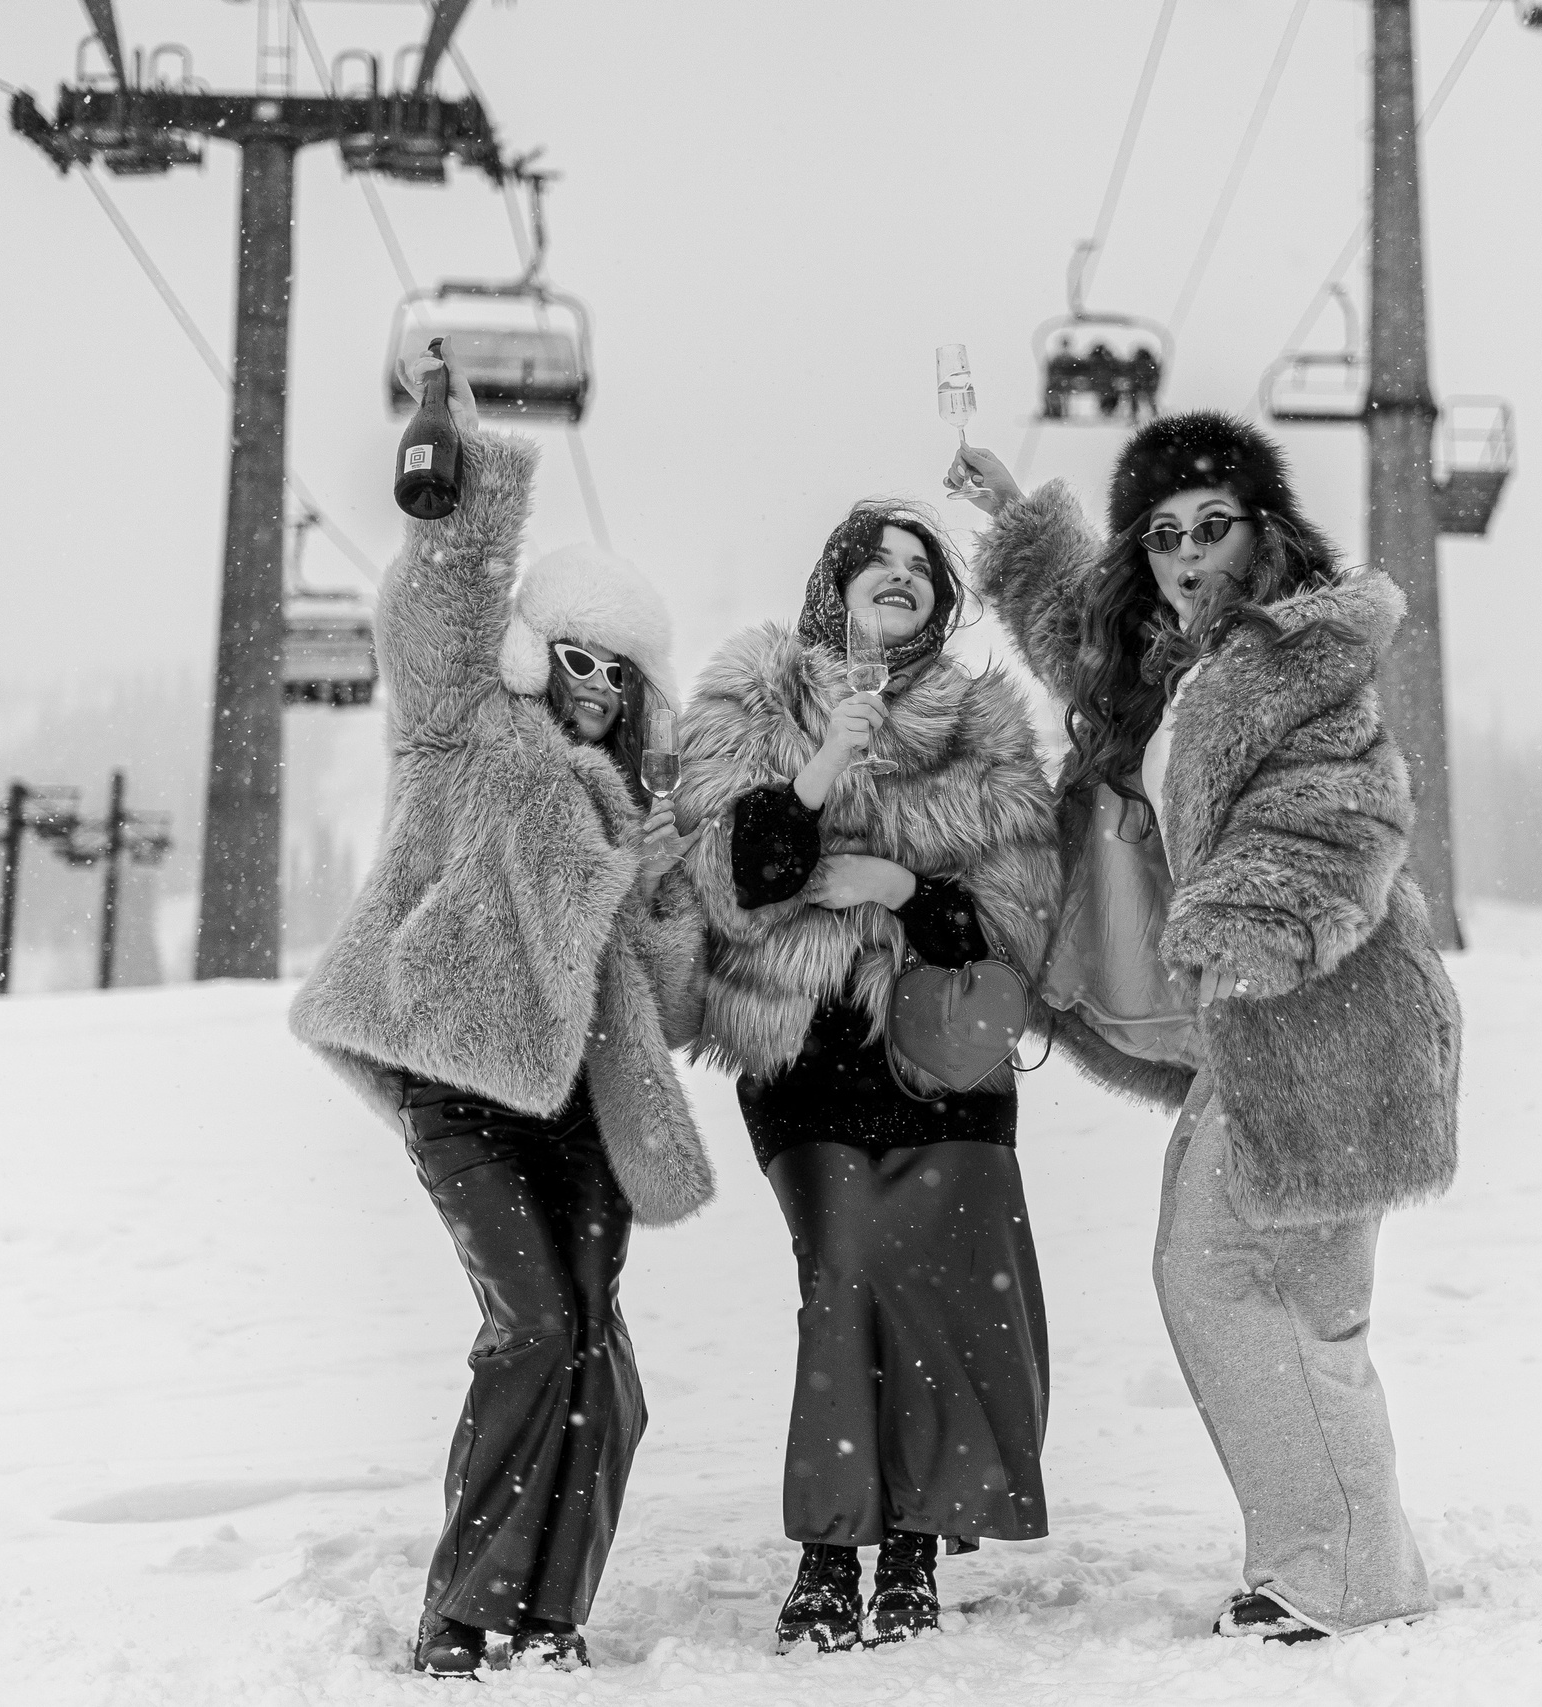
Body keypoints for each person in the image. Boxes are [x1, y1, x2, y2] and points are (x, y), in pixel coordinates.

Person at [949, 413, 1463, 1646]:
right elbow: (1080, 636)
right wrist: (1020, 518)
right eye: (1164, 535)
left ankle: (1339, 1574)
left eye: (1213, 526)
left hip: (1323, 1019)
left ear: (1265, 531)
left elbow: (1333, 818)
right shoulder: (1170, 666)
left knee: (1227, 1274)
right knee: (1298, 1300)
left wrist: (1239, 934)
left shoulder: (1302, 656)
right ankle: (1348, 1558)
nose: (1189, 555)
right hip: (1288, 1031)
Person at [289, 367, 714, 1678]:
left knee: (594, 1344)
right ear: (537, 656)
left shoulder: (639, 814)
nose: (589, 682)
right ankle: (462, 1612)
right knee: (531, 1323)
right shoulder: (461, 725)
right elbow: (439, 607)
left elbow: (668, 979)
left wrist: (693, 886)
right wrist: (461, 488)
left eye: (615, 669)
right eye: (571, 655)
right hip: (458, 1078)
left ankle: (549, 1610)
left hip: (580, 1103)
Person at [677, 502, 1061, 1654]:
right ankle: (829, 1546)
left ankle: (909, 1549)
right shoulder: (753, 696)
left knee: (937, 1284)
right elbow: (728, 880)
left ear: (942, 606)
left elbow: (1015, 920)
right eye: (875, 563)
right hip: (807, 1052)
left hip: (942, 1054)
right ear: (831, 588)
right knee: (846, 1264)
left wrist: (900, 890)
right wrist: (818, 773)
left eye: (919, 569)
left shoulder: (984, 728)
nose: (898, 578)